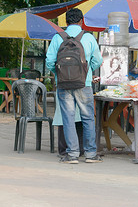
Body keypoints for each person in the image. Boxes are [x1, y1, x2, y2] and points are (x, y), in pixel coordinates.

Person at [46, 8, 103, 164]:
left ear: (66, 22)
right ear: (81, 21)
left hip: (63, 85)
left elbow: (50, 62)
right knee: (88, 118)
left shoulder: (58, 38)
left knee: (68, 119)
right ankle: (91, 154)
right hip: (84, 84)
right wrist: (87, 71)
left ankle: (72, 155)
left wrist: (60, 74)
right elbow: (98, 61)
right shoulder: (89, 38)